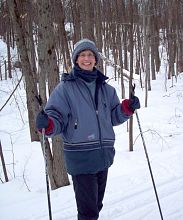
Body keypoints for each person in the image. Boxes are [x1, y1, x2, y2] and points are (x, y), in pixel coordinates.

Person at [36, 38, 140, 220]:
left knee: (96, 206)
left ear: (95, 59)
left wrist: (127, 108)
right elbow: (56, 117)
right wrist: (48, 124)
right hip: (81, 158)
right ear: (76, 60)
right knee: (88, 212)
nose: (87, 58)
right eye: (82, 55)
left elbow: (113, 117)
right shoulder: (65, 89)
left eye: (90, 55)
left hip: (103, 157)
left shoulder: (107, 89)